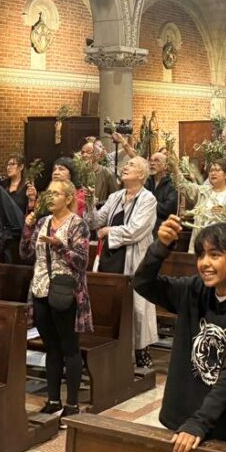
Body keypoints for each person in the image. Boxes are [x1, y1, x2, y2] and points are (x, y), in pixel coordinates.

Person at [133, 216, 226, 452]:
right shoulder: (194, 289)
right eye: (201, 255)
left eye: (215, 255)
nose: (205, 263)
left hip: (222, 422)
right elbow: (142, 283)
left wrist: (200, 422)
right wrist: (160, 248)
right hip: (183, 417)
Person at [20, 179, 91, 419]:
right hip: (40, 289)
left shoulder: (77, 224)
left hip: (65, 291)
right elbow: (26, 253)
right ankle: (53, 400)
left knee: (69, 347)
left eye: (55, 194)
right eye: (48, 194)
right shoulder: (43, 222)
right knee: (51, 347)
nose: (50, 198)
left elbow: (82, 262)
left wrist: (60, 246)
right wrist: (28, 229)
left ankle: (72, 404)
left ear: (68, 198)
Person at [89, 156, 158, 368]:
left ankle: (140, 351)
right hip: (111, 257)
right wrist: (90, 203)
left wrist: (109, 231)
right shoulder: (116, 196)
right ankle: (114, 351)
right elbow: (96, 221)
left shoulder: (148, 199)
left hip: (134, 256)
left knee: (136, 306)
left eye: (132, 165)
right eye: (126, 165)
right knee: (111, 303)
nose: (126, 167)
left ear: (142, 175)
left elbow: (136, 230)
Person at [182, 158, 226, 251]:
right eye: (211, 171)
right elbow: (184, 187)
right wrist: (176, 170)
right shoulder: (203, 191)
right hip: (200, 242)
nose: (213, 173)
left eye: (217, 170)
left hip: (222, 244)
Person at [146, 148, 177, 233]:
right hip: (145, 223)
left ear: (165, 166)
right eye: (151, 161)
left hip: (162, 226)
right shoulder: (146, 181)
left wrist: (146, 204)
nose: (152, 163)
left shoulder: (172, 184)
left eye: (156, 161)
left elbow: (167, 209)